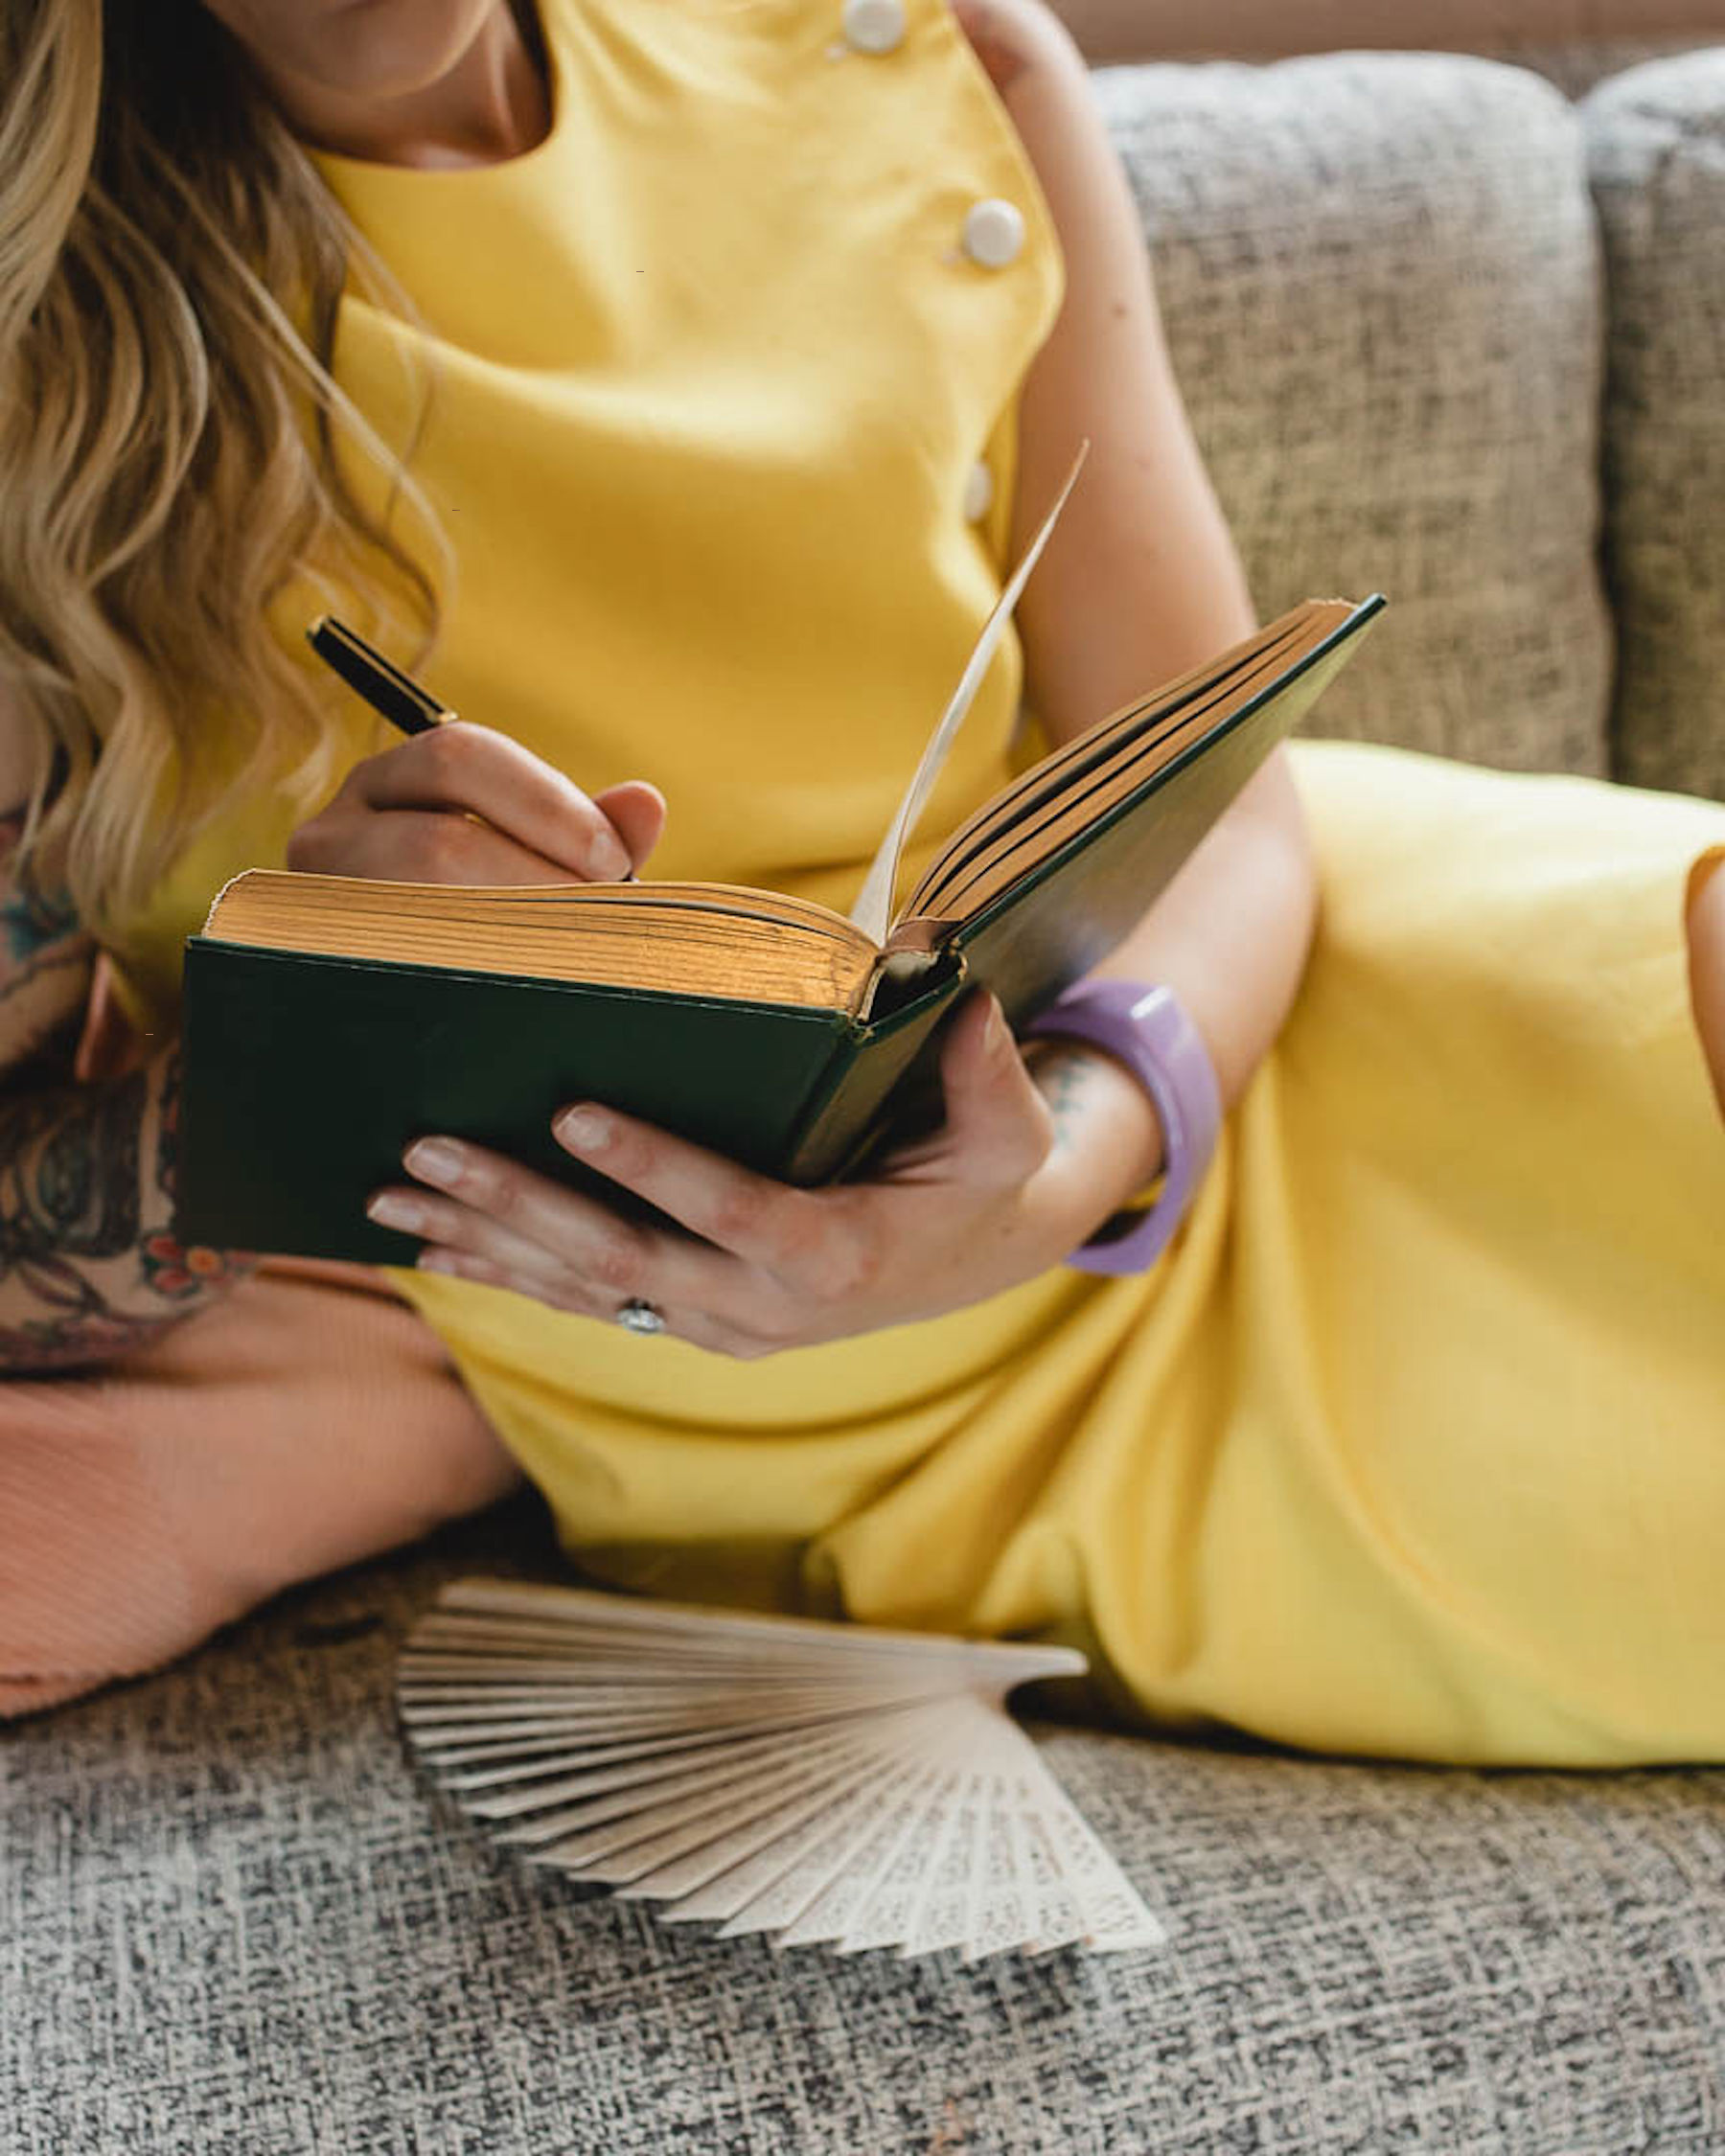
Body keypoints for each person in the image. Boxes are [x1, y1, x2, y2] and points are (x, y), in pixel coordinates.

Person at [2, 0, 1722, 1756]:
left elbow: (1231, 795)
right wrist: (323, 1035)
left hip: (1212, 1029)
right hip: (808, 1375)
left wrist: (1069, 1168)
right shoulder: (39, 305)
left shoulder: (923, 54)